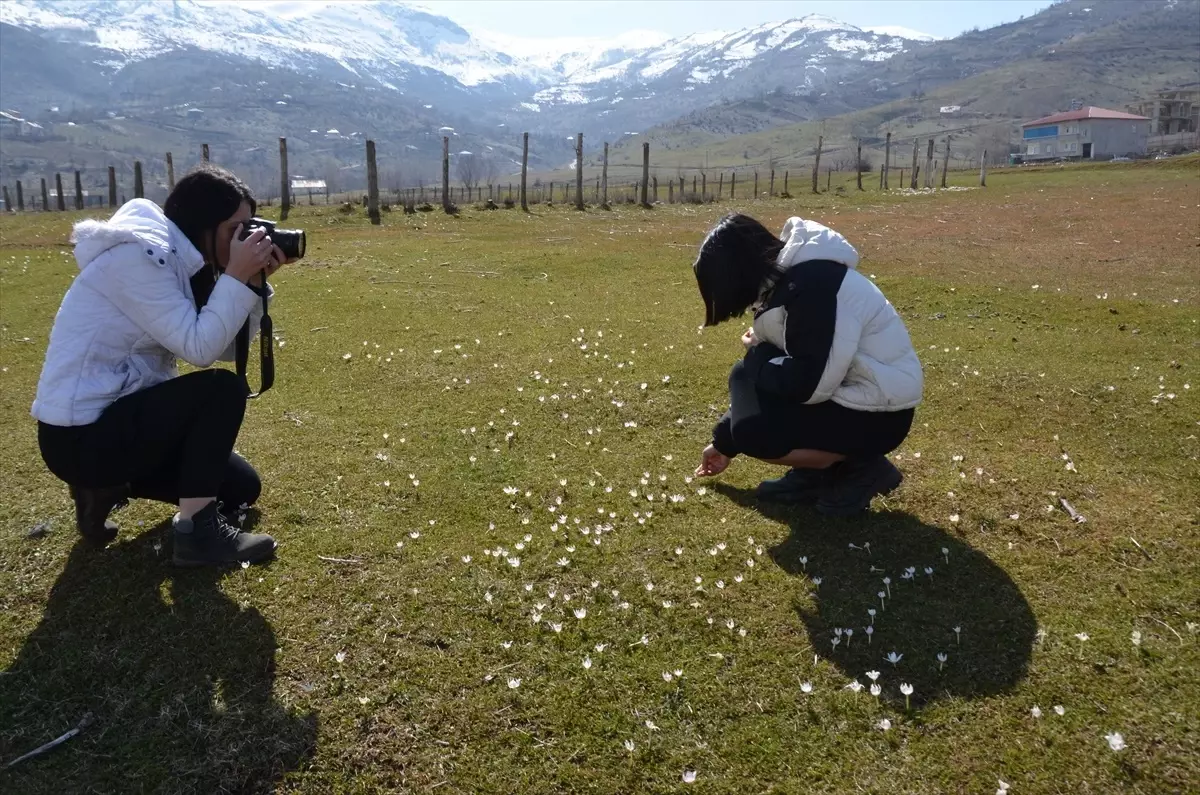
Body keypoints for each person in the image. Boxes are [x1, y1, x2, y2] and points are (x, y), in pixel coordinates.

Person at [31, 165, 291, 566]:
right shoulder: (140, 257)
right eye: (237, 229)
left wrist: (251, 283)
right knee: (221, 390)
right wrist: (236, 275)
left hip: (119, 421)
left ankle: (105, 487)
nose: (248, 239)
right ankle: (197, 536)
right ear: (205, 224)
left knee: (241, 488)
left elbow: (223, 347)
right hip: (78, 437)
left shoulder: (183, 261)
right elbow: (201, 351)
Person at [692, 214, 923, 515]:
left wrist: (757, 352)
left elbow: (807, 386)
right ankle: (815, 472)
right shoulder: (790, 283)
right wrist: (723, 443)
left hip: (880, 413)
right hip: (851, 398)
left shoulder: (814, 288)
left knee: (754, 433)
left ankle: (863, 468)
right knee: (745, 376)